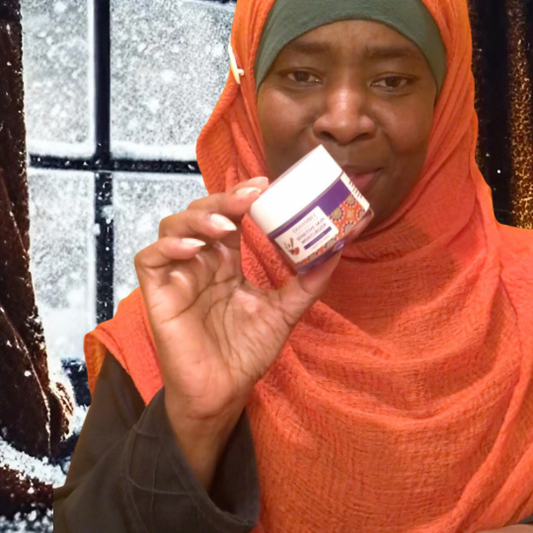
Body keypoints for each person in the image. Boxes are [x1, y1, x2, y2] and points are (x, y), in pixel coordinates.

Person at [54, 0, 533, 531]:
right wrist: (194, 420)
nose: (344, 121)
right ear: (250, 98)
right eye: (301, 75)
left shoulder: (525, 295)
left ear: (445, 103)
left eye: (393, 81)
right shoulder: (179, 319)